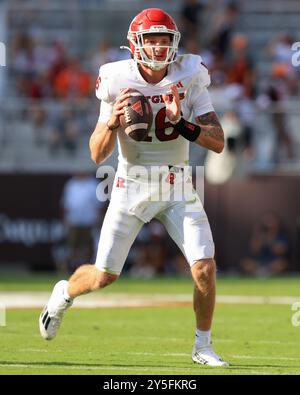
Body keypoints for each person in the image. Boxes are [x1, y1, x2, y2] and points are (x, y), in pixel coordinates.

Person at [39, 8, 228, 367]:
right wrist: (110, 123)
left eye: (165, 40)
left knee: (204, 266)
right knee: (103, 276)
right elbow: (97, 154)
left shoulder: (191, 74)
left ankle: (202, 346)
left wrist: (181, 123)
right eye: (151, 40)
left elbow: (217, 142)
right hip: (131, 184)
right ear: (134, 44)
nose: (159, 47)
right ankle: (63, 293)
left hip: (178, 183)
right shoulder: (115, 78)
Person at [240, 212, 290, 277]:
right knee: (246, 263)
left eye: (271, 221)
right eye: (267, 221)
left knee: (281, 264)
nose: (269, 224)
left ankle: (268, 274)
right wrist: (258, 234)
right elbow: (254, 249)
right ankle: (260, 273)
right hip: (259, 263)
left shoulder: (281, 236)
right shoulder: (259, 235)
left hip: (273, 263)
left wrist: (270, 238)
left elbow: (280, 251)